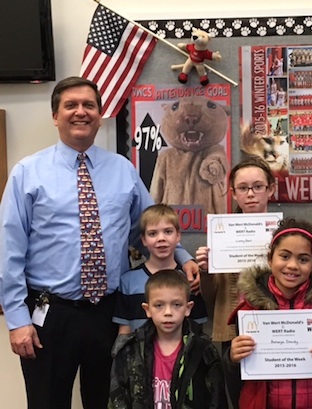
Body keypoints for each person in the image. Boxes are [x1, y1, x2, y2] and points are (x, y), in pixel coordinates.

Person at [0, 76, 199, 409]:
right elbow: (10, 251)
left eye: (89, 105)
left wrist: (181, 255)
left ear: (100, 113)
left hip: (110, 313)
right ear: (55, 115)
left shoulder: (122, 170)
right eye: (71, 105)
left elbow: (150, 227)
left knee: (111, 400)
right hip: (50, 313)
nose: (81, 112)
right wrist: (18, 320)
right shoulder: (27, 173)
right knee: (47, 401)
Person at [224, 218, 312, 409]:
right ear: (270, 259)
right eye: (285, 256)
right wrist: (232, 357)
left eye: (303, 259)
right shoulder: (249, 310)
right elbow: (235, 376)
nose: (293, 265)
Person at [108, 269, 226, 408]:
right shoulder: (129, 350)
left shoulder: (204, 352)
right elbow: (118, 399)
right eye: (159, 305)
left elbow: (216, 401)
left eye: (176, 305)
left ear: (188, 308)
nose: (168, 312)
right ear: (147, 309)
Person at [197, 158, 276, 347]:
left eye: (258, 186)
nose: (250, 194)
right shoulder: (221, 237)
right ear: (233, 193)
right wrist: (206, 271)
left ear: (270, 189)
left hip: (274, 324)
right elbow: (210, 296)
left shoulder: (285, 234)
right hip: (232, 328)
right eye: (242, 188)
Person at [113, 204, 207, 335]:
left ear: (178, 236)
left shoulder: (191, 280)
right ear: (143, 240)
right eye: (152, 233)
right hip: (139, 354)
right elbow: (124, 332)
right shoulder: (128, 282)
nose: (161, 238)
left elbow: (197, 331)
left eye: (168, 232)